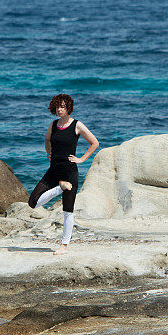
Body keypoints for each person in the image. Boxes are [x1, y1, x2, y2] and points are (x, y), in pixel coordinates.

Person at [28, 93, 99, 255]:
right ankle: (60, 189)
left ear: (69, 108)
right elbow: (47, 140)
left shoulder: (77, 125)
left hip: (69, 172)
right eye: (57, 107)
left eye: (63, 107)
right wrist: (49, 153)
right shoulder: (53, 125)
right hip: (53, 171)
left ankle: (64, 246)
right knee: (33, 203)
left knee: (68, 211)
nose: (59, 110)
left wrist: (81, 159)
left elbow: (95, 142)